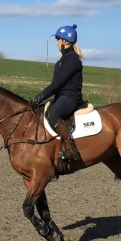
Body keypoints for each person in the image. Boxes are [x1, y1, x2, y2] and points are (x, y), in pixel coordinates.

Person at [30, 24, 84, 161]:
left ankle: (70, 148)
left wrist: (41, 96)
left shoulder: (72, 58)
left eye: (58, 39)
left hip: (71, 97)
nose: (56, 42)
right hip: (61, 96)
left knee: (54, 115)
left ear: (65, 41)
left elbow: (58, 83)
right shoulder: (62, 60)